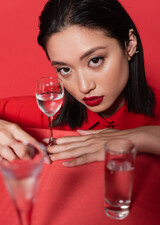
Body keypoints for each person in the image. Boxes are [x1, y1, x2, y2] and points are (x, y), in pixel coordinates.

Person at [0, 0, 160, 166]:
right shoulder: (53, 112)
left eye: (95, 60)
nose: (84, 87)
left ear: (130, 45)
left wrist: (140, 136)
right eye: (65, 69)